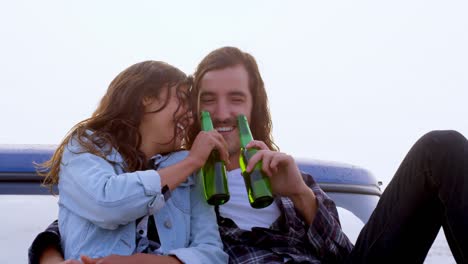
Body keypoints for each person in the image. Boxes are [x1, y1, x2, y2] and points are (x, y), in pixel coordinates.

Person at [30, 47, 468, 263]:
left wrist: (301, 195)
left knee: (441, 148)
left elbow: (349, 257)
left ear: (253, 107)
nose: (222, 113)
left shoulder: (286, 174)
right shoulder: (174, 175)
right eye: (208, 100)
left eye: (235, 99)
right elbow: (87, 212)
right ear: (193, 109)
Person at [32, 60, 228, 264]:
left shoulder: (192, 168)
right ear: (147, 97)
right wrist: (191, 162)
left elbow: (211, 253)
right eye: (181, 98)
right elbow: (107, 204)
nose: (190, 114)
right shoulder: (84, 148)